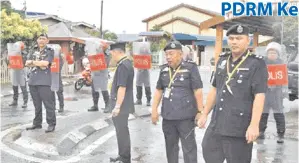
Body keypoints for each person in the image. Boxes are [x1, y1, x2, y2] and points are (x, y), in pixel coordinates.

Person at [197, 24, 268, 163]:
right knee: (208, 151)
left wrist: (254, 125)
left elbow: (259, 96)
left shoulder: (256, 64)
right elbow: (215, 89)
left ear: (248, 41)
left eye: (239, 38)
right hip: (217, 124)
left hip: (239, 128)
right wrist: (204, 113)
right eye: (231, 38)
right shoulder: (223, 60)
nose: (234, 42)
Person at [151, 41, 204, 163]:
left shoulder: (190, 68)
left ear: (180, 54)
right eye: (166, 54)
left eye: (171, 54)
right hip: (168, 117)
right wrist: (154, 110)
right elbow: (159, 91)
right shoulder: (164, 69)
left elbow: (198, 90)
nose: (168, 57)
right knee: (170, 148)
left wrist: (200, 111)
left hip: (186, 117)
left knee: (189, 148)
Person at [25, 33, 56, 133]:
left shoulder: (50, 51)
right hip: (33, 80)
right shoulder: (33, 50)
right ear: (37, 40)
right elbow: (26, 63)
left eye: (43, 38)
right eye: (39, 38)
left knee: (48, 104)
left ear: (47, 41)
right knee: (36, 104)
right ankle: (37, 123)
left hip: (44, 81)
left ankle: (51, 124)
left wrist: (33, 62)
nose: (41, 40)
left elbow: (45, 64)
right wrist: (38, 63)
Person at [109, 42, 134, 163]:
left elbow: (122, 87)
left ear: (118, 52)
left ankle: (125, 158)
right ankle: (122, 155)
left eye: (112, 53)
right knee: (121, 131)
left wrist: (117, 106)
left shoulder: (123, 65)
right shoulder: (126, 63)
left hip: (122, 105)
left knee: (122, 131)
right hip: (124, 104)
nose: (112, 56)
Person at [259, 42, 286, 143]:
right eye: (270, 52)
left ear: (278, 54)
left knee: (279, 114)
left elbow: (284, 79)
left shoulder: (281, 63)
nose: (272, 54)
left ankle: (281, 134)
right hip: (265, 92)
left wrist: (284, 91)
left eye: (274, 53)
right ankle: (261, 132)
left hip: (277, 93)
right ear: (267, 53)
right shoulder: (262, 63)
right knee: (263, 113)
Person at [88, 42, 111, 113]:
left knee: (104, 90)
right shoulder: (95, 52)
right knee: (94, 90)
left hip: (102, 73)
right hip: (95, 73)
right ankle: (95, 105)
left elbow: (106, 62)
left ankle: (108, 105)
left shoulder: (107, 53)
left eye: (101, 46)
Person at [8, 43, 28, 108]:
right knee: (14, 87)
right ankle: (15, 101)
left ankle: (25, 102)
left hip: (21, 71)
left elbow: (24, 62)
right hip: (14, 70)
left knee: (23, 87)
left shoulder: (24, 53)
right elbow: (8, 61)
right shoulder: (11, 53)